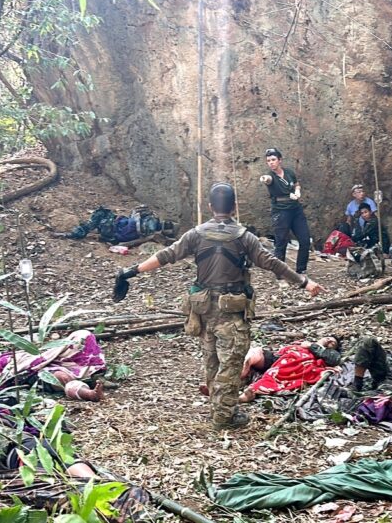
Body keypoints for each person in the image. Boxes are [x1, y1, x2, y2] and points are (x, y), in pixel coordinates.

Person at [111, 183, 325, 430]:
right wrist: (304, 282)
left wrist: (130, 272)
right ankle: (224, 416)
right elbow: (273, 263)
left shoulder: (196, 234)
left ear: (211, 207)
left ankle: (217, 406)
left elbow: (165, 256)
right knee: (231, 364)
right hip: (231, 310)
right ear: (234, 207)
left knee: (211, 358)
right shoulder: (245, 237)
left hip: (203, 309)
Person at [0, 330, 106, 401]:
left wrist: (42, 356)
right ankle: (89, 394)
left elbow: (31, 355)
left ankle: (93, 370)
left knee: (82, 336)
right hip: (31, 373)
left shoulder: (10, 353)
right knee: (61, 377)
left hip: (44, 359)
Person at [238, 337, 342, 403]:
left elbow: (334, 359)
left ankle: (246, 396)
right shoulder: (302, 343)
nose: (329, 340)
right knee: (254, 352)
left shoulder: (328, 353)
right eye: (328, 338)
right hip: (279, 358)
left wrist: (312, 346)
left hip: (293, 365)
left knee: (273, 376)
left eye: (332, 343)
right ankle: (239, 373)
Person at [259, 148, 311, 274]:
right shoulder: (271, 176)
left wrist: (297, 191)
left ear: (280, 160)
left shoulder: (289, 173)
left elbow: (296, 184)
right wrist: (264, 178)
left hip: (295, 210)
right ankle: (280, 274)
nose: (271, 163)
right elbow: (266, 179)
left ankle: (301, 270)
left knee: (305, 240)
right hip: (281, 212)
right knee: (281, 243)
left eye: (273, 160)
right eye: (268, 161)